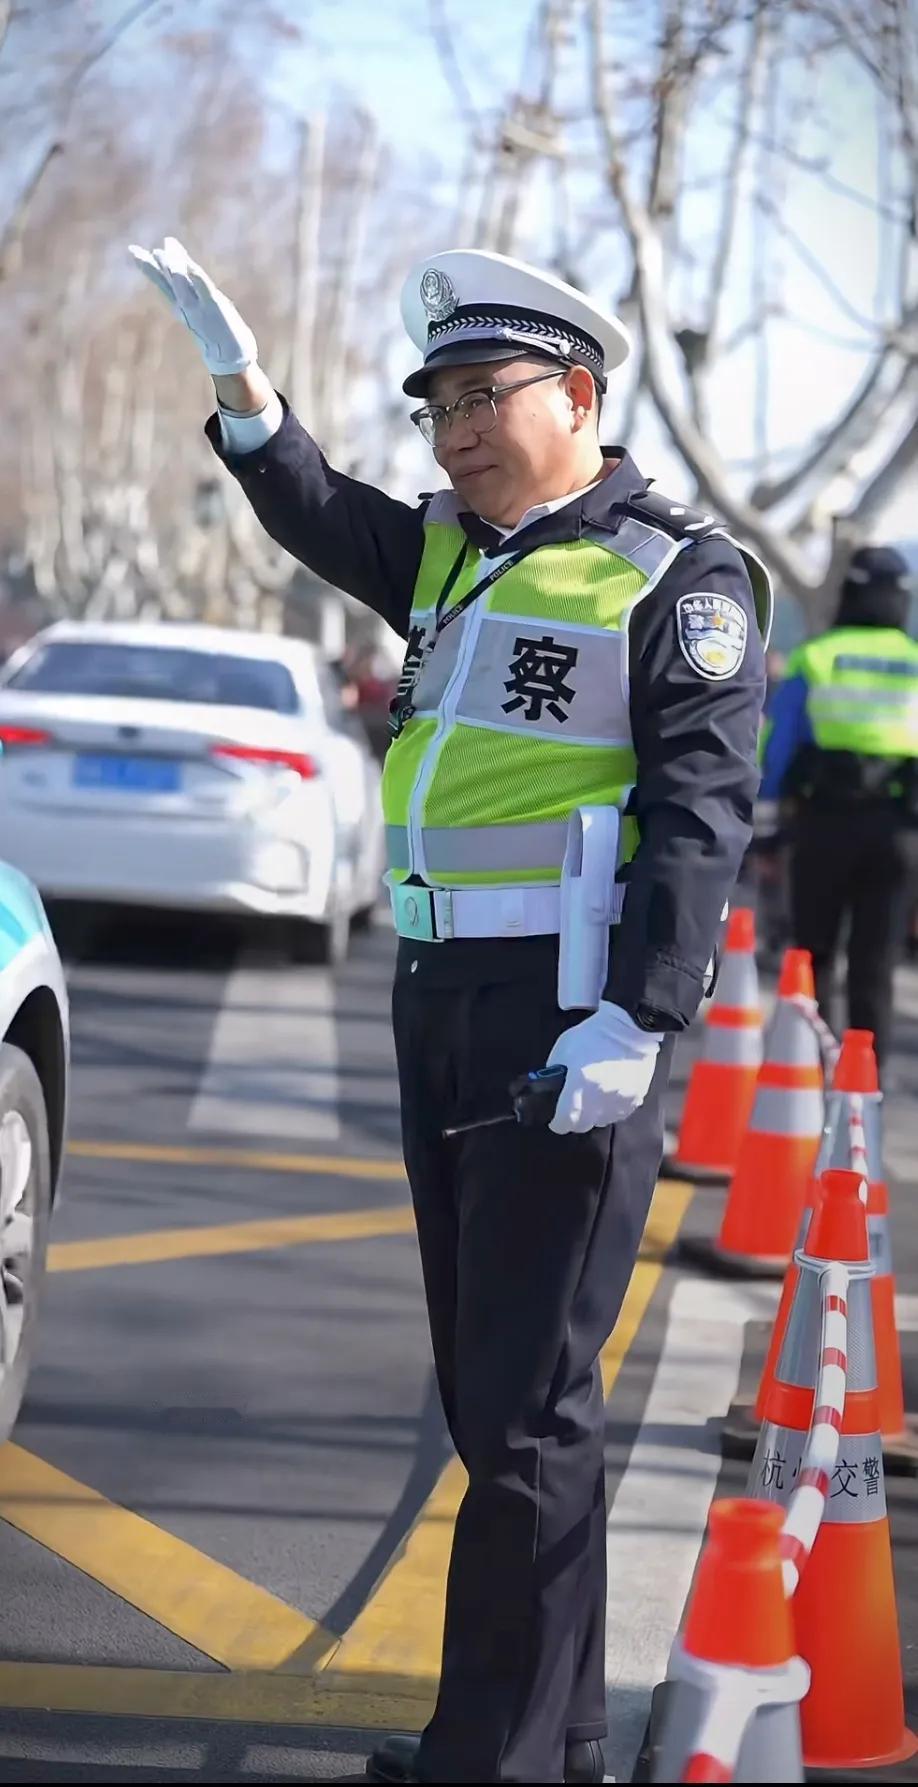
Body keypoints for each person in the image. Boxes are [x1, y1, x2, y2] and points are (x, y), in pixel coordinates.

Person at [130, 236, 770, 1784]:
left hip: (562, 1018)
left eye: (487, 396)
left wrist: (638, 1020)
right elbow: (309, 503)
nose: (458, 431)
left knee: (527, 1408)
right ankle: (541, 1733)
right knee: (499, 1402)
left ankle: (491, 1753)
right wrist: (243, 386)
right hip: (439, 999)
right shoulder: (448, 551)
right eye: (437, 408)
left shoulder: (675, 570)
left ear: (580, 393)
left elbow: (701, 809)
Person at [759, 545, 918, 1069]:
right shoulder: (914, 661)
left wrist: (764, 821)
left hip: (825, 824)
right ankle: (865, 1079)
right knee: (877, 961)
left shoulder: (817, 655)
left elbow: (778, 748)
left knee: (814, 952)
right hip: (898, 831)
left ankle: (812, 1069)